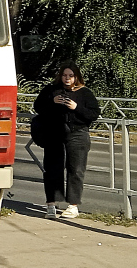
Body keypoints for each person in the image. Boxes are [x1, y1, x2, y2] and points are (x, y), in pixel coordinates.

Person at [33, 62, 100, 219]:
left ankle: (73, 206)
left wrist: (76, 107)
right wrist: (52, 102)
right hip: (54, 134)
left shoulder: (85, 93)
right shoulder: (51, 90)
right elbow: (38, 107)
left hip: (78, 134)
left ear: (77, 77)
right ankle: (51, 204)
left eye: (71, 75)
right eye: (64, 75)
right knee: (52, 169)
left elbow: (94, 114)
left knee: (75, 170)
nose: (67, 78)